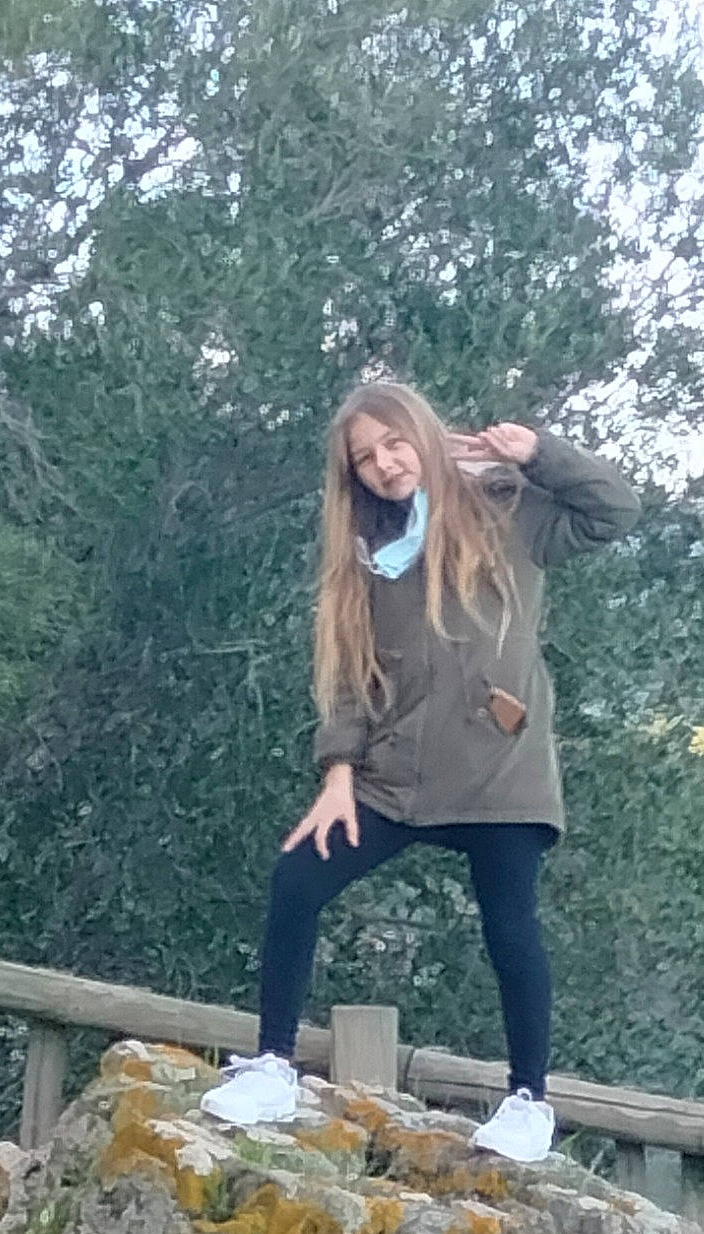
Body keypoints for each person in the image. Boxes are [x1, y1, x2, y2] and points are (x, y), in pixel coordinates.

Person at [201, 379, 641, 1161]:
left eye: (394, 443)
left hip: (501, 768)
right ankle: (272, 1067)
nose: (383, 464)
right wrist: (338, 768)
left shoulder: (512, 509)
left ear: (425, 435)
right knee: (297, 878)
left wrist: (537, 452)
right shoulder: (365, 552)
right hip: (392, 774)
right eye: (364, 458)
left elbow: (613, 509)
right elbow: (346, 668)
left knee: (511, 925)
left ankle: (529, 1101)